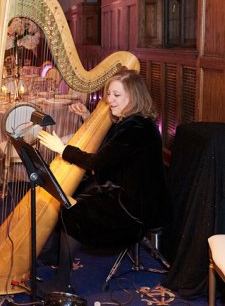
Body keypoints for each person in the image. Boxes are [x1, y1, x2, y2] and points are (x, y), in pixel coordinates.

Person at [36, 68, 172, 297]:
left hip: (135, 209)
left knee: (73, 210)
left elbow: (98, 161)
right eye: (109, 94)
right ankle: (54, 253)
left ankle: (61, 282)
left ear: (134, 96)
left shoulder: (135, 129)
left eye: (117, 95)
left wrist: (62, 148)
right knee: (76, 190)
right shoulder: (137, 122)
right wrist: (87, 116)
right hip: (136, 195)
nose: (109, 100)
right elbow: (113, 149)